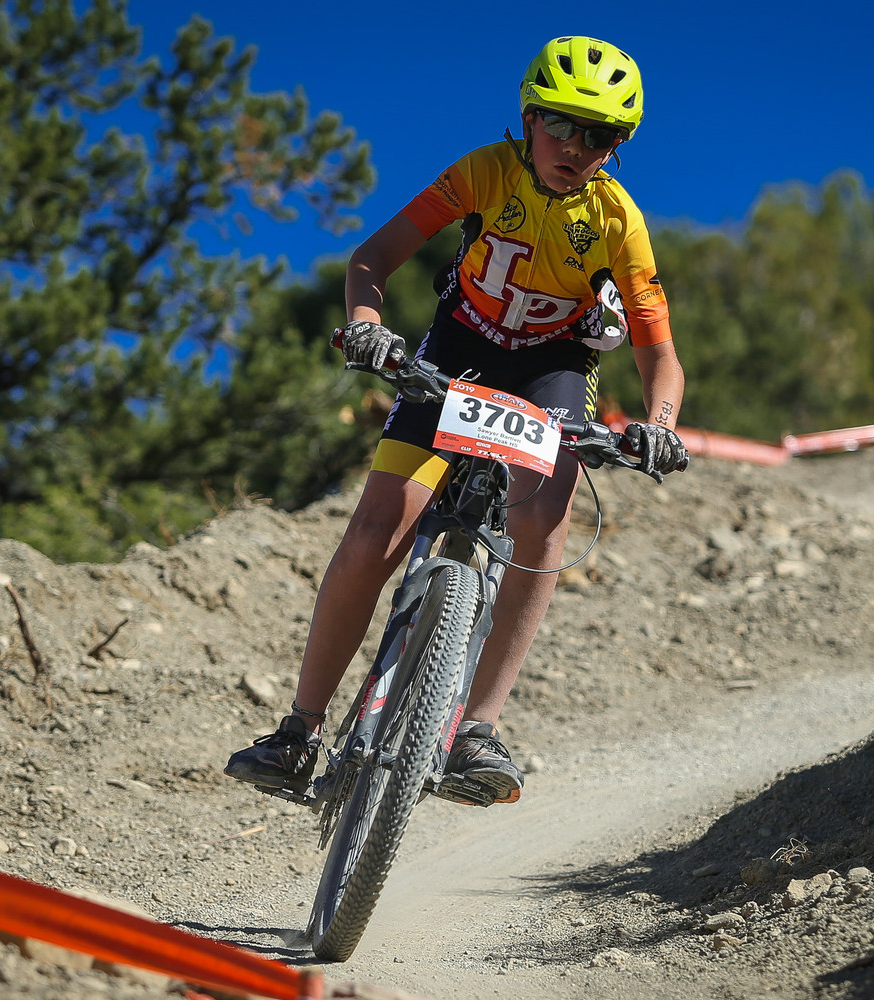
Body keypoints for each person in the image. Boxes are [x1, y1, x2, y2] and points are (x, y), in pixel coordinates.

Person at [225, 35, 687, 805]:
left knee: (543, 524)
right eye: (561, 125)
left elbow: (659, 355)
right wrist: (367, 325)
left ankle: (477, 730)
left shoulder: (619, 222)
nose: (576, 148)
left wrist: (661, 424)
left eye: (600, 135)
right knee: (379, 526)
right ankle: (299, 732)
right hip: (460, 347)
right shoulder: (483, 172)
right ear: (529, 118)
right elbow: (372, 257)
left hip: (553, 366)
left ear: (617, 147)